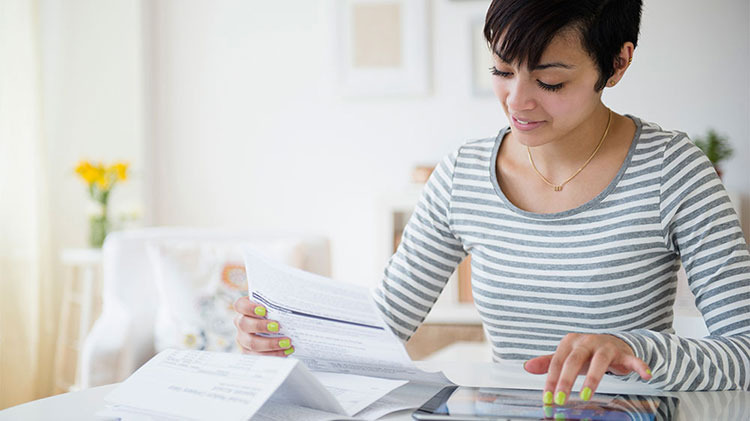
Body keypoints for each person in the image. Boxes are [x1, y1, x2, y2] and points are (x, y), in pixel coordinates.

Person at [234, 0, 750, 407]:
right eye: (503, 71)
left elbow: (743, 352)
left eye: (551, 81)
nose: (517, 102)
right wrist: (286, 335)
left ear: (617, 63)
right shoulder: (463, 175)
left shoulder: (673, 171)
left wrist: (633, 348)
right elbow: (382, 326)